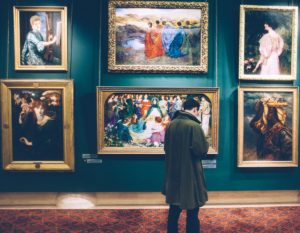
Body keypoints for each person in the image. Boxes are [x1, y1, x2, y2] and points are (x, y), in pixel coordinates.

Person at [163, 98, 209, 233]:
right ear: (195, 109)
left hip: (173, 173)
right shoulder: (194, 126)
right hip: (190, 174)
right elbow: (201, 150)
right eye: (198, 111)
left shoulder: (171, 124)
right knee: (193, 211)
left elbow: (166, 147)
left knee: (173, 210)